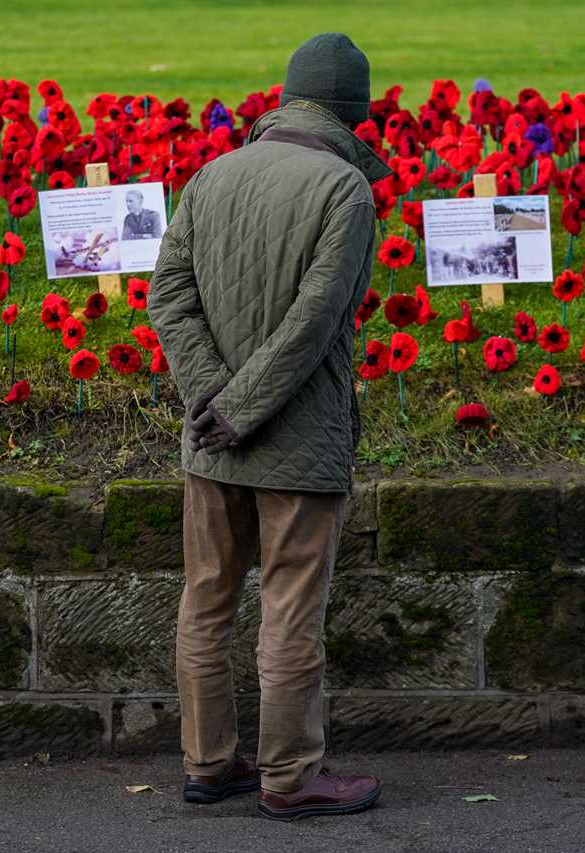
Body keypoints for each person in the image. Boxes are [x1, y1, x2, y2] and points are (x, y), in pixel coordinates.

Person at [148, 32, 391, 822]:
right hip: (296, 439)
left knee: (206, 601)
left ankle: (209, 762)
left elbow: (168, 297)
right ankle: (291, 775)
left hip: (210, 441)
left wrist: (214, 400)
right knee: (289, 607)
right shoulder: (345, 192)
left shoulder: (211, 175)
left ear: (286, 98)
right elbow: (316, 323)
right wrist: (243, 405)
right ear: (354, 111)